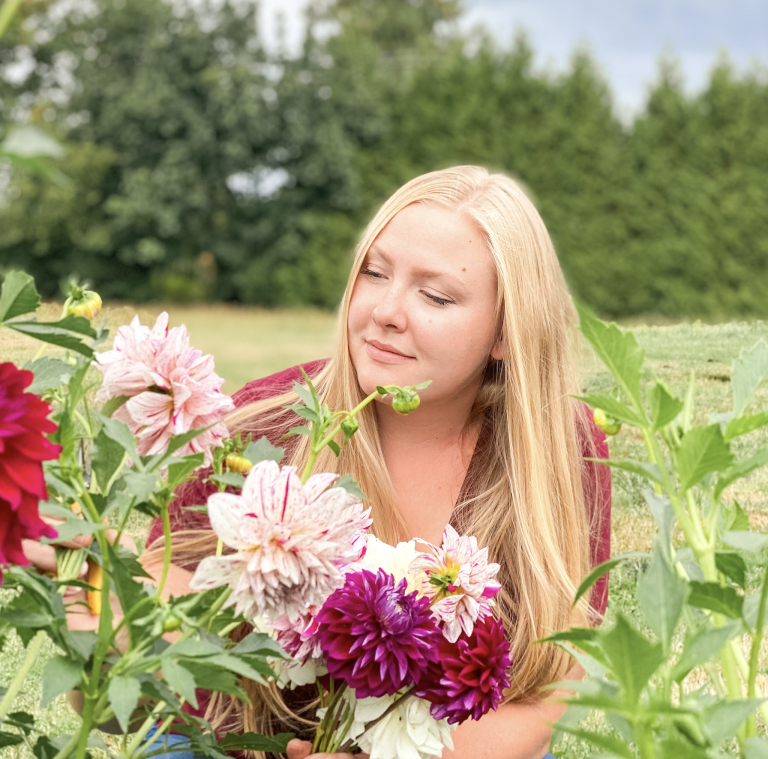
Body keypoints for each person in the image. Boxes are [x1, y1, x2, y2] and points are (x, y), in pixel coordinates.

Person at [26, 166, 611, 759]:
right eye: (373, 273)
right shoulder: (261, 428)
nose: (385, 310)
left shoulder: (561, 449)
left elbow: (545, 694)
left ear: (506, 332)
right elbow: (127, 707)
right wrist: (89, 592)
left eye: (435, 295)